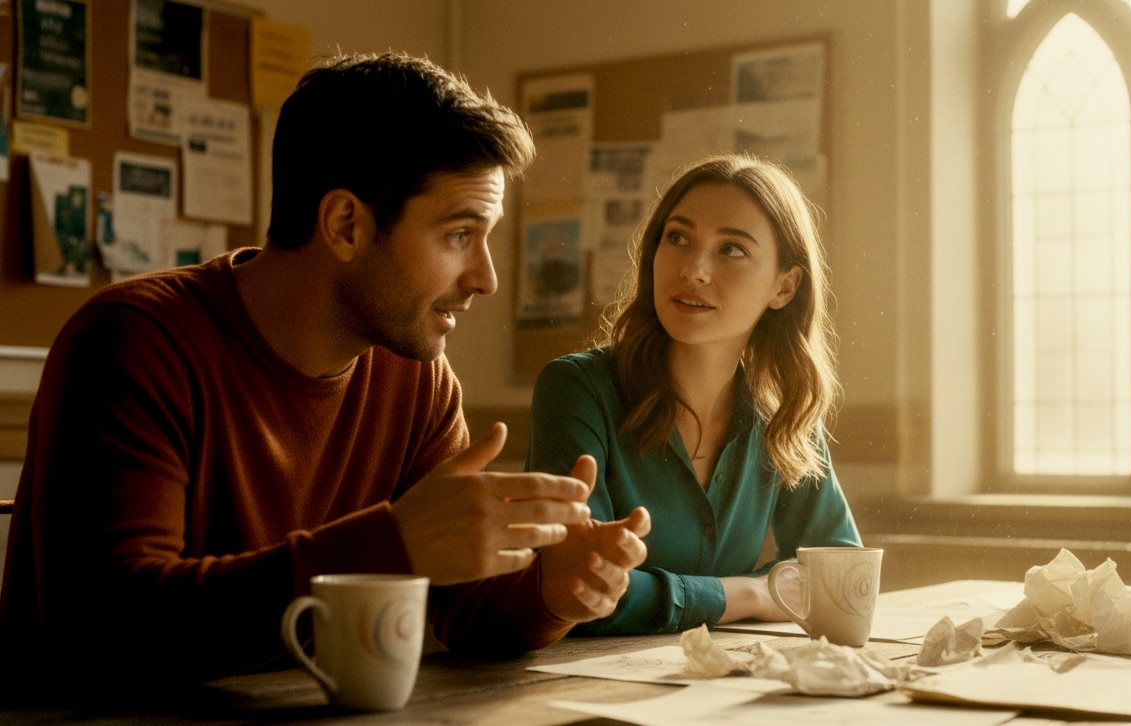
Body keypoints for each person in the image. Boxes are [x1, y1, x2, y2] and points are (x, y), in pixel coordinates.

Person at [0, 52, 650, 697]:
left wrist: (552, 592)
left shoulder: (416, 376)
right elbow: (108, 628)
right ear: (345, 224)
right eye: (459, 235)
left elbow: (464, 610)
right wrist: (387, 548)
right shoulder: (135, 341)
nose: (486, 277)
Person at [526, 154, 860, 635]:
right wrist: (749, 592)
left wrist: (684, 596)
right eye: (678, 238)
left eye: (731, 250)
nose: (694, 270)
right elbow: (584, 591)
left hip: (718, 688)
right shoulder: (576, 389)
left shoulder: (783, 412)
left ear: (784, 288)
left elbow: (841, 573)